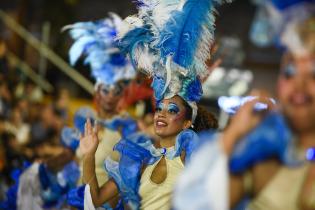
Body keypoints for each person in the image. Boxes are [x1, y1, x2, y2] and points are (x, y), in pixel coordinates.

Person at [71, 0, 228, 209]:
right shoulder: (139, 158)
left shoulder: (191, 157)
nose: (161, 114)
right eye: (159, 109)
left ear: (186, 122)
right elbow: (96, 198)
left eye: (172, 110)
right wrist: (89, 155)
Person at [174, 4, 315, 210]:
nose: (298, 86)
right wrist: (232, 137)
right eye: (290, 71)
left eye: (313, 73)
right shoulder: (261, 160)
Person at [65, 13, 137, 187]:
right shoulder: (85, 121)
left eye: (117, 90)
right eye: (106, 89)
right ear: (97, 91)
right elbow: (75, 164)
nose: (111, 95)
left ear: (122, 95)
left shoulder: (125, 126)